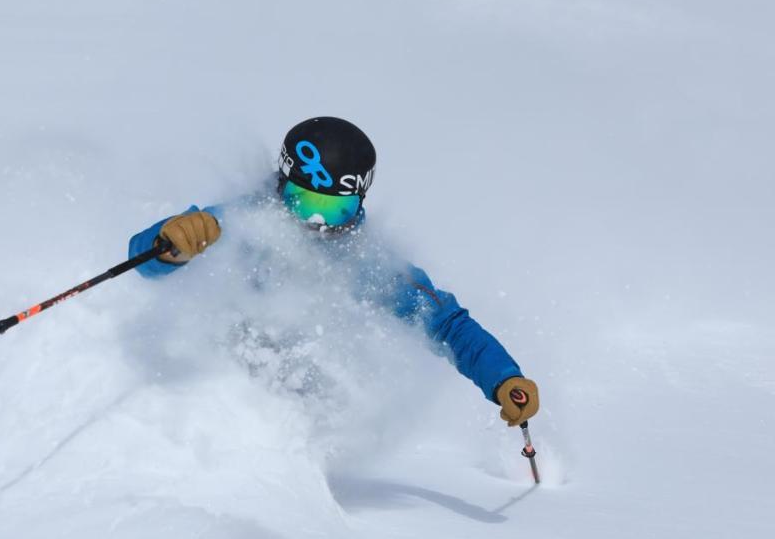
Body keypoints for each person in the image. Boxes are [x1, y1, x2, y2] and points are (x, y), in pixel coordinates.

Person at [126, 116, 540, 428]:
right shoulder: (243, 220)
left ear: (359, 202)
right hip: (205, 387)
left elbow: (447, 325)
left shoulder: (370, 262)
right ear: (281, 185)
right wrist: (170, 247)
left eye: (335, 210)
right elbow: (143, 257)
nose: (318, 225)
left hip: (287, 405)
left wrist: (502, 378)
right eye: (306, 204)